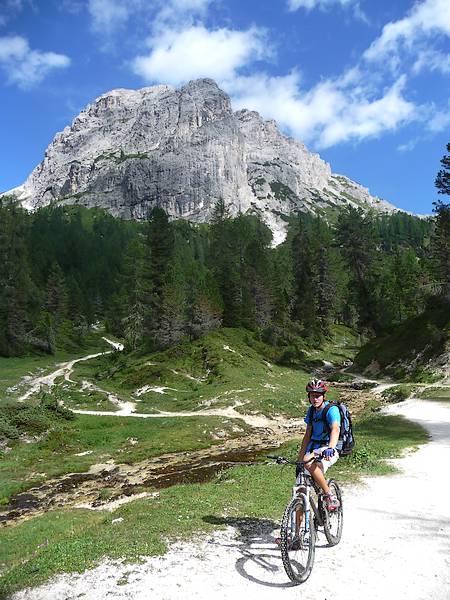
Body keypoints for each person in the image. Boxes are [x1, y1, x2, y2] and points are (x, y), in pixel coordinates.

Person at [297, 378, 341, 511]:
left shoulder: (331, 410)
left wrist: (330, 448)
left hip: (328, 448)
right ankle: (297, 531)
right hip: (313, 449)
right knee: (300, 492)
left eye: (318, 396)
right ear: (309, 397)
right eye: (312, 396)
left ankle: (329, 495)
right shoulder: (311, 411)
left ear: (323, 396)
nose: (315, 399)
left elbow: (335, 429)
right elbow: (307, 435)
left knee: (308, 461)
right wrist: (299, 458)